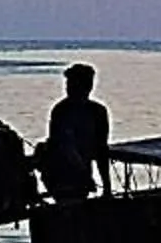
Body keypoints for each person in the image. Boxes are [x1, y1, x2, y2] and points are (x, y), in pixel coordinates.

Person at [41, 62, 110, 201]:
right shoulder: (61, 111)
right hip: (59, 174)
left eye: (73, 83)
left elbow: (102, 150)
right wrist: (85, 175)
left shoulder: (98, 112)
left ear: (88, 86)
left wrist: (107, 187)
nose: (68, 88)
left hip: (83, 176)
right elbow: (65, 145)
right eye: (68, 83)